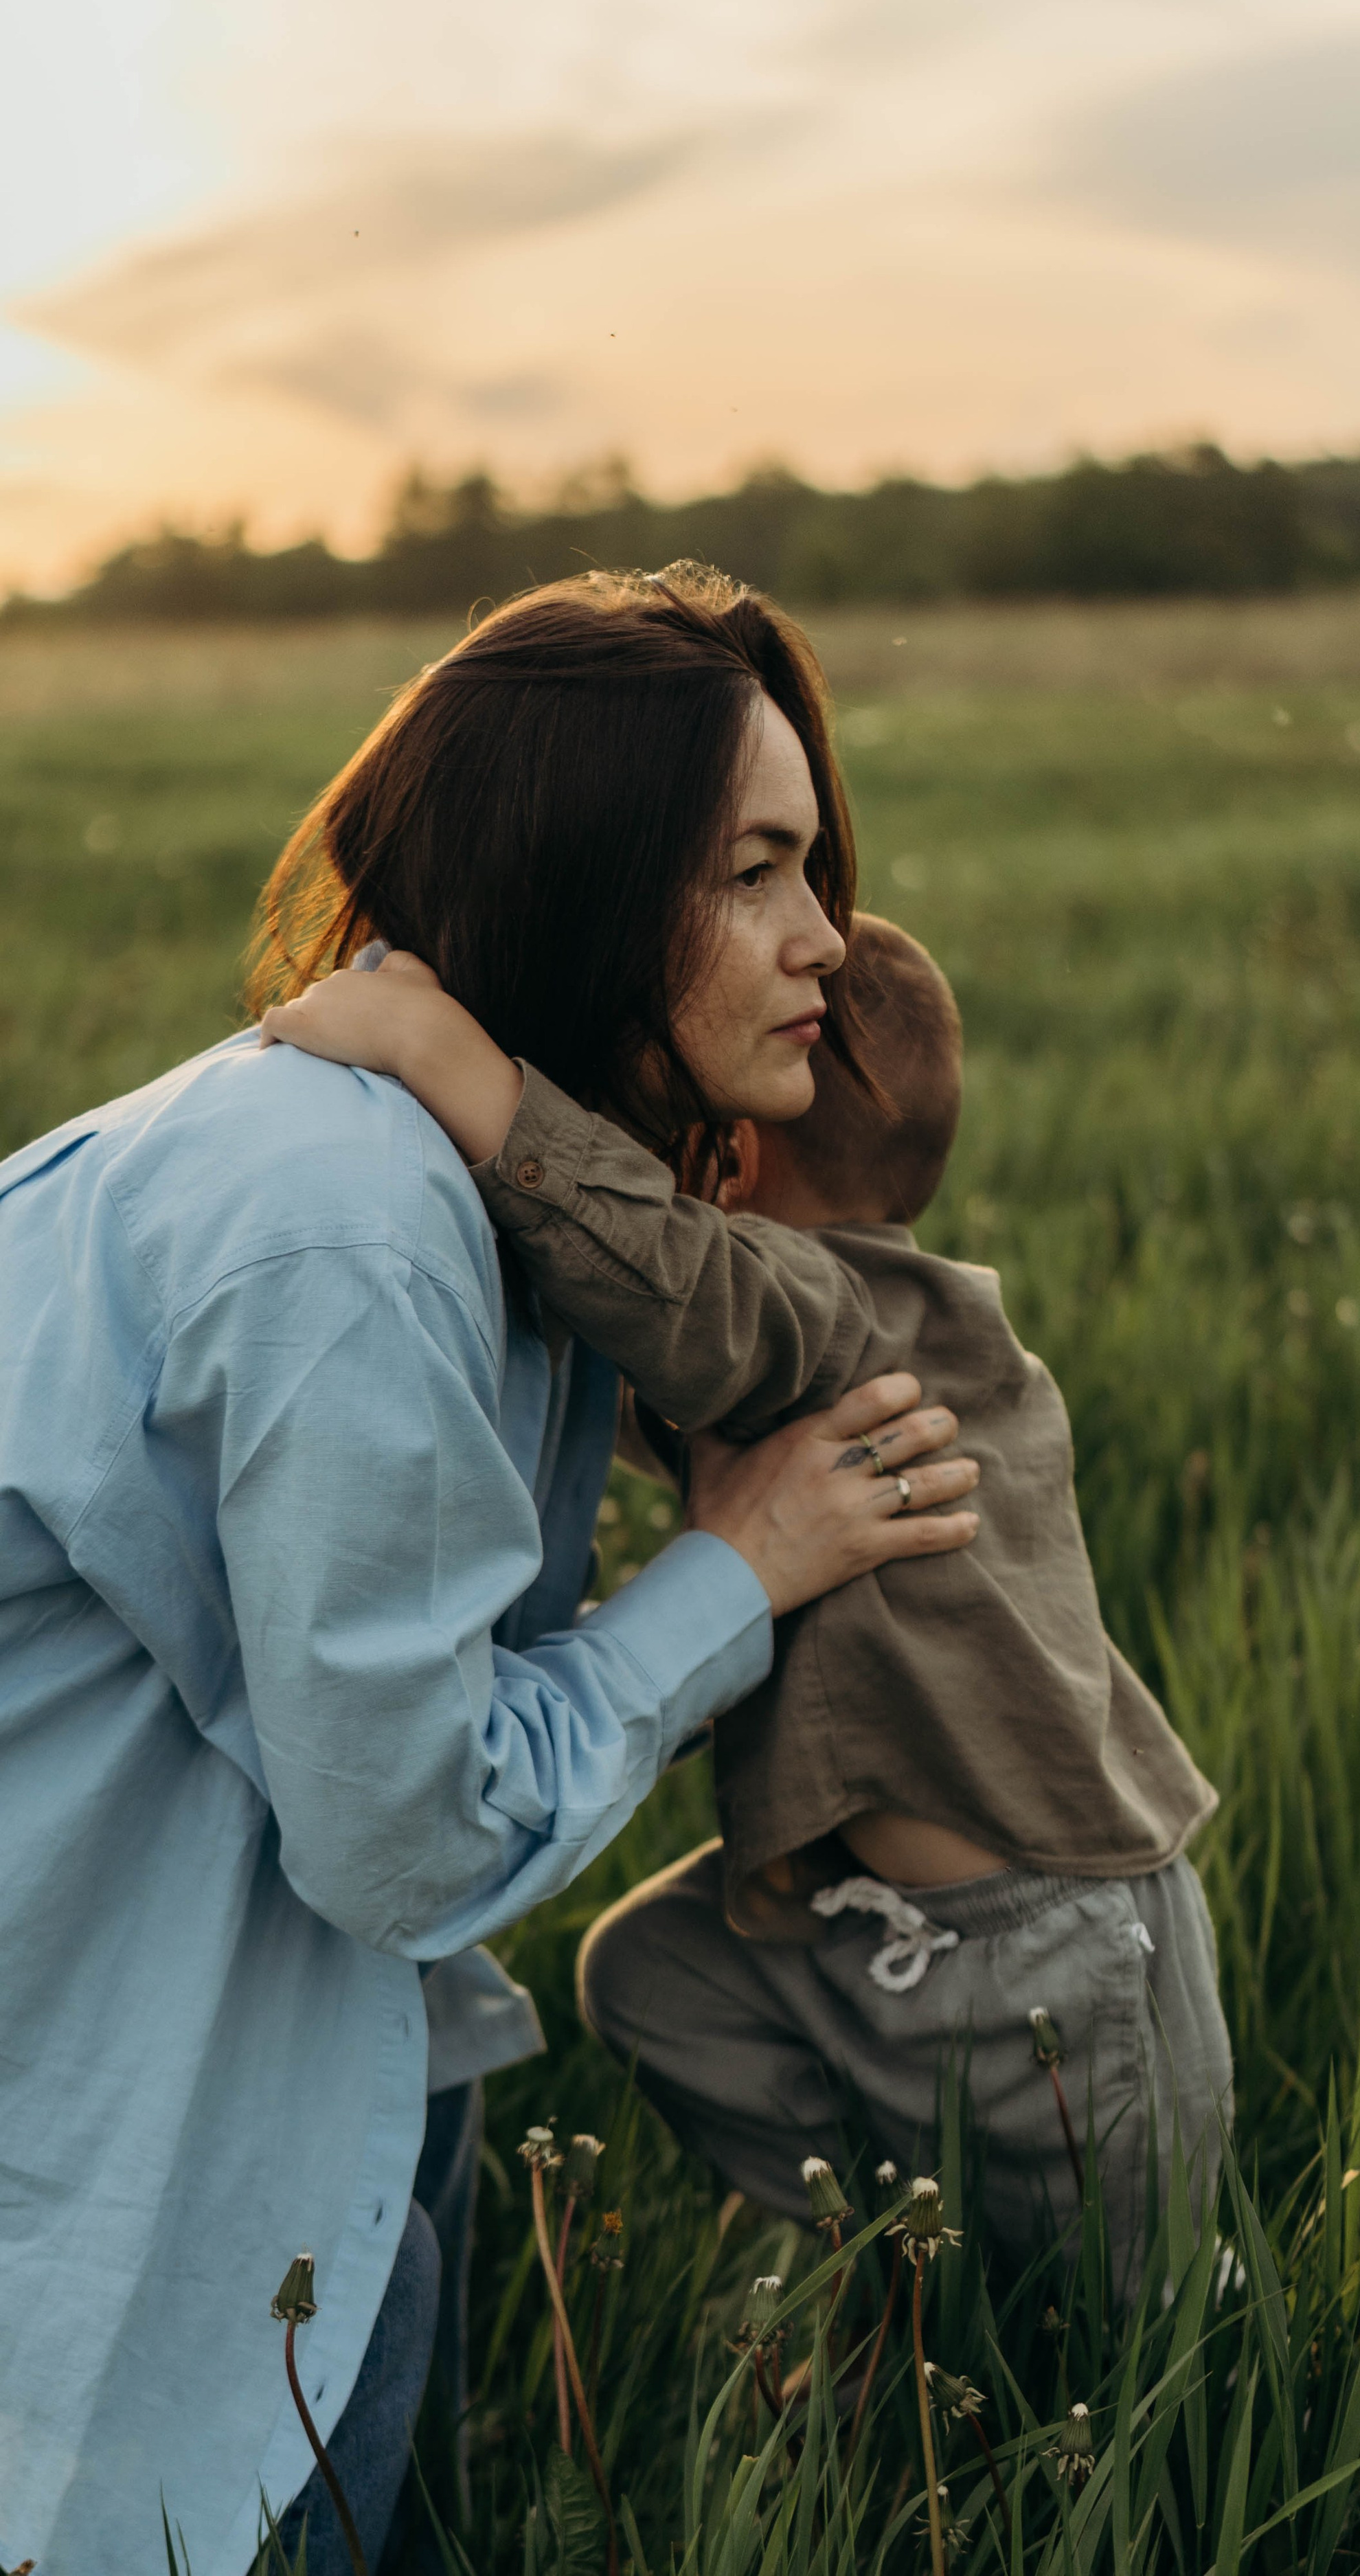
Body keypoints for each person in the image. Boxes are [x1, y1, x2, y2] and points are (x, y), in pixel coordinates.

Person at [0, 569, 980, 2576]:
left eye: (813, 866)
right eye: (754, 874)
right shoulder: (346, 1234)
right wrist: (736, 1573)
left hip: (295, 2086)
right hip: (130, 2168)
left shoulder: (452, 1188)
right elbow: (411, 1838)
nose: (826, 936)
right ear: (581, 888)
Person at [262, 912, 1231, 2281]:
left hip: (1048, 1956)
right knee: (649, 1973)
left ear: (732, 1160)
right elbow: (644, 1369)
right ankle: (900, 2276)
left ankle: (1060, 2334)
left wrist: (444, 1058)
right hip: (867, 1934)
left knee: (1135, 2323)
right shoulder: (810, 1353)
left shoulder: (843, 1312)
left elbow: (670, 1289)